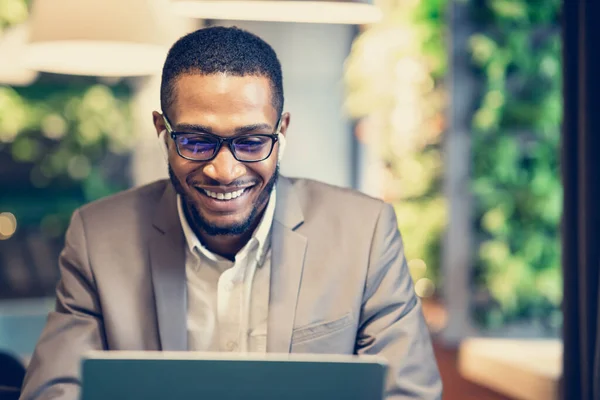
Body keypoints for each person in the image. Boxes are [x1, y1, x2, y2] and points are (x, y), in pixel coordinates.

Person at [20, 26, 442, 399]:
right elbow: (54, 390)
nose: (225, 171)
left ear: (283, 130)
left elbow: (407, 391)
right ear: (162, 131)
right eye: (197, 141)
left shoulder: (364, 233)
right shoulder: (97, 237)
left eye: (253, 141)